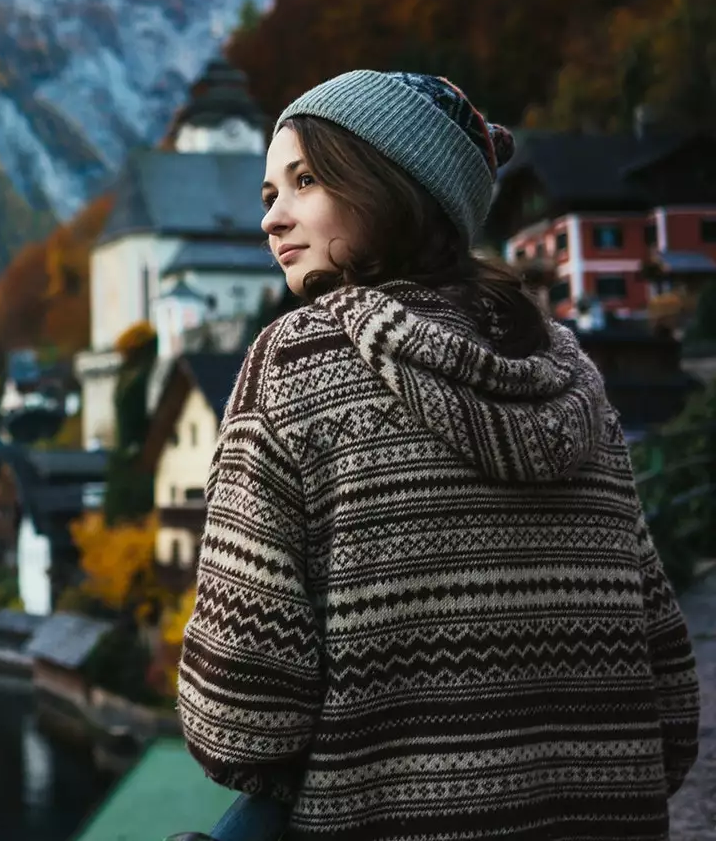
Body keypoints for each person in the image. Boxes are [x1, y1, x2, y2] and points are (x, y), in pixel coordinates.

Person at [176, 69, 701, 840]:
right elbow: (671, 704)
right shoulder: (573, 376)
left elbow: (244, 719)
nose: (272, 219)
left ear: (388, 186)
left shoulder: (295, 366)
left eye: (305, 181)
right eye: (267, 195)